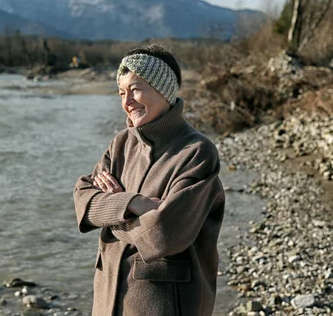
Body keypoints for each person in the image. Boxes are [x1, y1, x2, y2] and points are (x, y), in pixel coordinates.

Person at [73, 44, 225, 316]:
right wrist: (133, 203)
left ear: (163, 88)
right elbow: (82, 199)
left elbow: (164, 234)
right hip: (107, 300)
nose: (126, 101)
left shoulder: (197, 152)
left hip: (165, 305)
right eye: (121, 92)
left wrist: (111, 211)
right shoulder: (121, 143)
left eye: (135, 89)